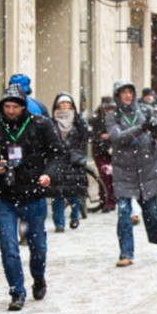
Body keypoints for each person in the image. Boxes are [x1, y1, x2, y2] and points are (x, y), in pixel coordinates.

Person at [0, 83, 67, 311]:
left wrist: (48, 175)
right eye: (7, 106)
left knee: (38, 245)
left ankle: (38, 277)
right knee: (8, 245)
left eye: (15, 106)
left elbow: (58, 154)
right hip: (3, 195)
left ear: (23, 107)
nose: (10, 111)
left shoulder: (40, 125)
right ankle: (17, 291)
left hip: (33, 194)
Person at [105, 80, 157, 266]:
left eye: (130, 92)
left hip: (148, 167)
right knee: (124, 212)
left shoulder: (146, 111)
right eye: (123, 92)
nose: (127, 96)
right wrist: (141, 128)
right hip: (123, 170)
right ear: (117, 95)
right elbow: (117, 138)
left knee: (151, 211)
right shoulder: (113, 116)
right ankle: (126, 253)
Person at [49, 93, 92, 233]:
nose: (65, 106)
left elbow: (86, 136)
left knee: (74, 192)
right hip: (57, 160)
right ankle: (59, 223)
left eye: (67, 103)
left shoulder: (78, 120)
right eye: (62, 103)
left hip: (74, 161)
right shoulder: (52, 121)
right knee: (57, 193)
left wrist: (78, 154)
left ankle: (75, 216)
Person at [88, 97, 118, 213]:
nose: (109, 110)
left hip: (113, 150)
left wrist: (111, 136)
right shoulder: (95, 119)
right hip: (100, 150)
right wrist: (100, 136)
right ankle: (105, 199)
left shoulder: (116, 118)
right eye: (107, 108)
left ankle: (111, 199)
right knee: (104, 175)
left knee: (112, 176)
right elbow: (89, 134)